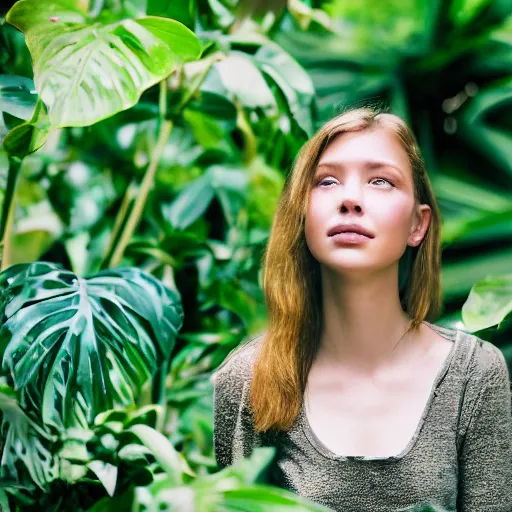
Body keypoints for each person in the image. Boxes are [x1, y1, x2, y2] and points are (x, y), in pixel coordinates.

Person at [212, 106, 512, 511]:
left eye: (381, 181)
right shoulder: (248, 379)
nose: (350, 199)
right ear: (303, 215)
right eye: (328, 181)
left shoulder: (474, 375)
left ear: (417, 225)